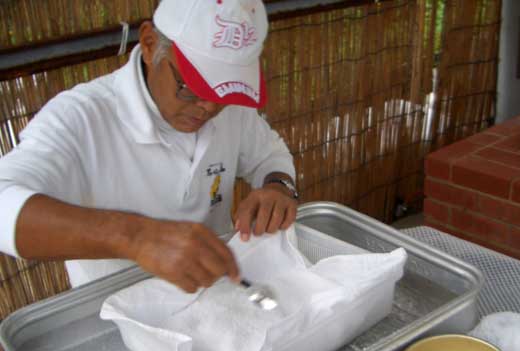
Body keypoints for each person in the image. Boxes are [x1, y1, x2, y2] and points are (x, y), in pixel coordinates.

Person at [0, 0, 299, 293]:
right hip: (114, 317)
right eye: (190, 88)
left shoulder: (231, 110)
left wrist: (277, 187)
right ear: (149, 44)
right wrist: (137, 237)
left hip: (217, 296)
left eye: (224, 92)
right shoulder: (80, 118)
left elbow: (271, 155)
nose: (209, 107)